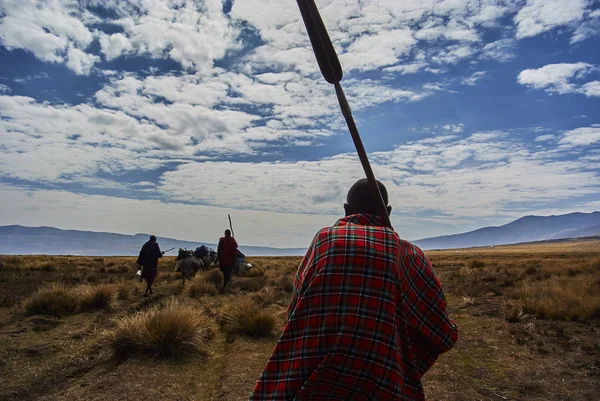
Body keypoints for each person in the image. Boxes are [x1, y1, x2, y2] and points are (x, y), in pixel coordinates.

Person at [249, 179, 458, 401]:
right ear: (388, 211)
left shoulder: (324, 240)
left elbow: (296, 310)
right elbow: (441, 331)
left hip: (316, 381)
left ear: (347, 210)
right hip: (382, 382)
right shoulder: (408, 254)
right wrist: (403, 354)